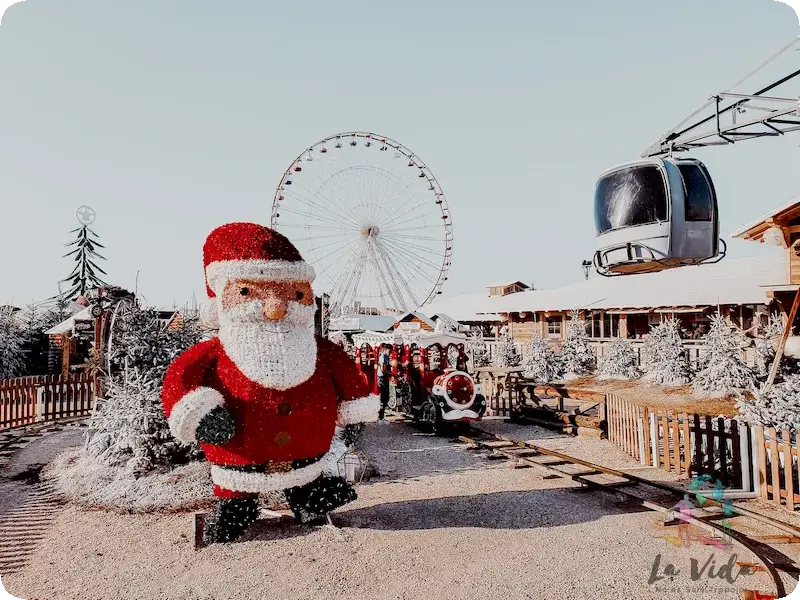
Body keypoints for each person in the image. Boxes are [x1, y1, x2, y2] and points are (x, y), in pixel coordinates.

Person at [161, 222, 380, 545]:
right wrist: (200, 414)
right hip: (239, 456)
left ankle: (309, 495)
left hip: (308, 456)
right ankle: (237, 504)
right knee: (237, 491)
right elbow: (180, 381)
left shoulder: (322, 350)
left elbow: (350, 379)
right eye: (249, 292)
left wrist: (356, 413)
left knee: (308, 480)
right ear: (223, 297)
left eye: (295, 294)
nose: (277, 307)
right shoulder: (213, 353)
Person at [377, 344, 392, 424]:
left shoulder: (385, 357)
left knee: (385, 398)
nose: (391, 352)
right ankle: (381, 418)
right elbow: (383, 370)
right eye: (390, 350)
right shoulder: (383, 357)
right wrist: (392, 374)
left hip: (384, 378)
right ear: (386, 349)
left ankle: (381, 417)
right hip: (382, 378)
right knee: (384, 398)